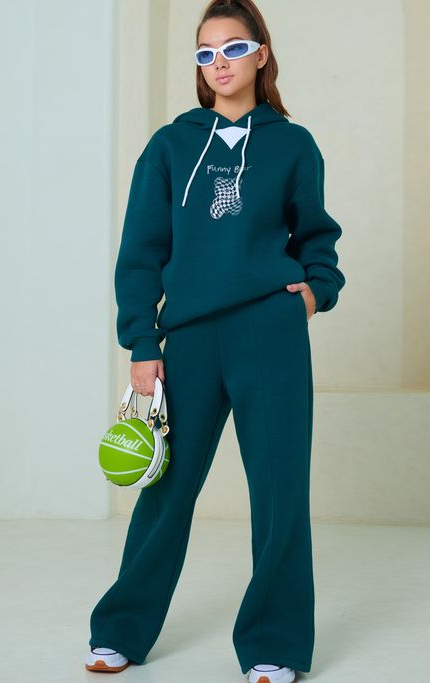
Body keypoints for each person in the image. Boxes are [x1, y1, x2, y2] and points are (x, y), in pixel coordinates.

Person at [85, 0, 346, 681]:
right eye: (205, 52)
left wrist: (314, 291)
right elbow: (141, 252)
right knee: (166, 491)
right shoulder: (171, 146)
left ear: (261, 53)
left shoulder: (293, 145)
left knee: (279, 493)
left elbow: (316, 234)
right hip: (190, 339)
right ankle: (121, 630)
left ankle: (275, 645)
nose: (219, 63)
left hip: (270, 334)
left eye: (232, 48)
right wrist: (142, 342)